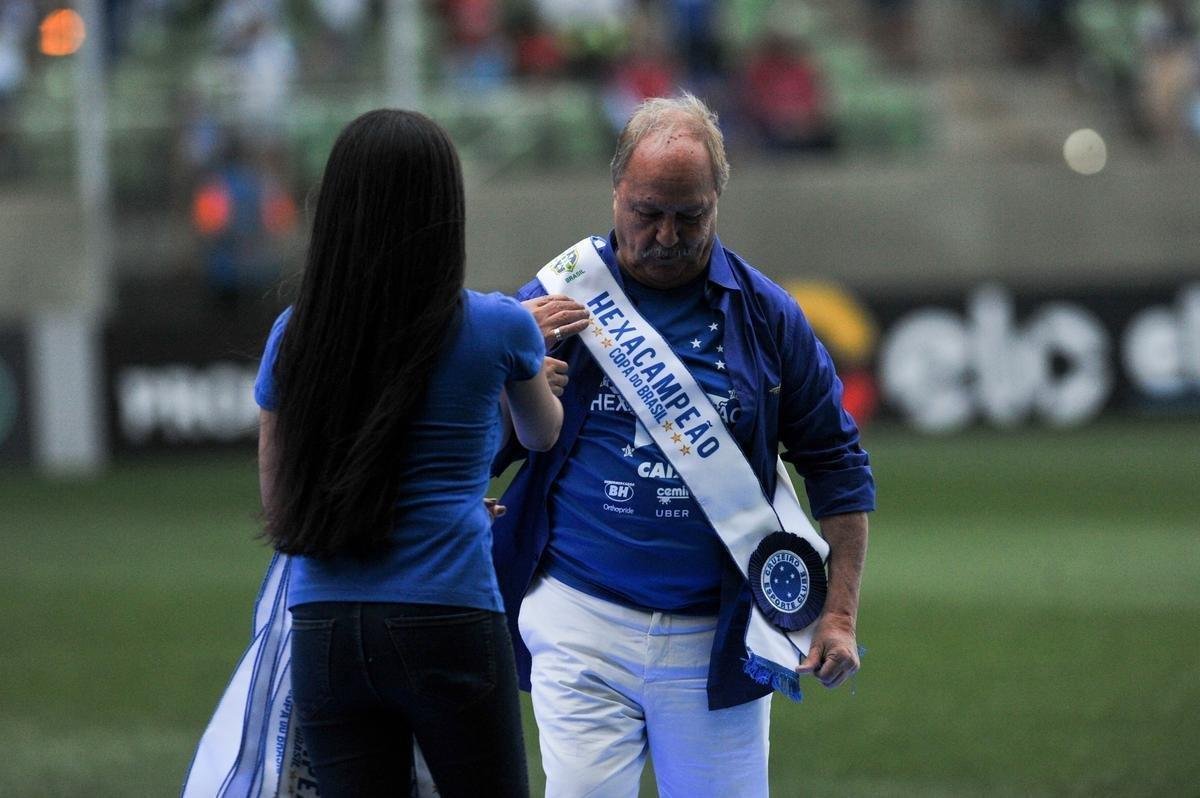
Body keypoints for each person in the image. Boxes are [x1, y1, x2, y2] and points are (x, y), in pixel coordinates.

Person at [490, 93, 875, 796]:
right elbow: (473, 449)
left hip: (719, 638)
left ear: (717, 201)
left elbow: (837, 464)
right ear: (615, 193)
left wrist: (840, 616)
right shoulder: (554, 299)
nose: (667, 235)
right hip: (577, 619)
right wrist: (510, 387)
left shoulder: (769, 317)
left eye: (689, 216)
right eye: (647, 212)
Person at [253, 109, 562, 797]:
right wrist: (532, 371)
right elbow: (542, 434)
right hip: (450, 611)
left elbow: (281, 507)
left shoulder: (293, 336)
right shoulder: (500, 326)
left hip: (326, 624)